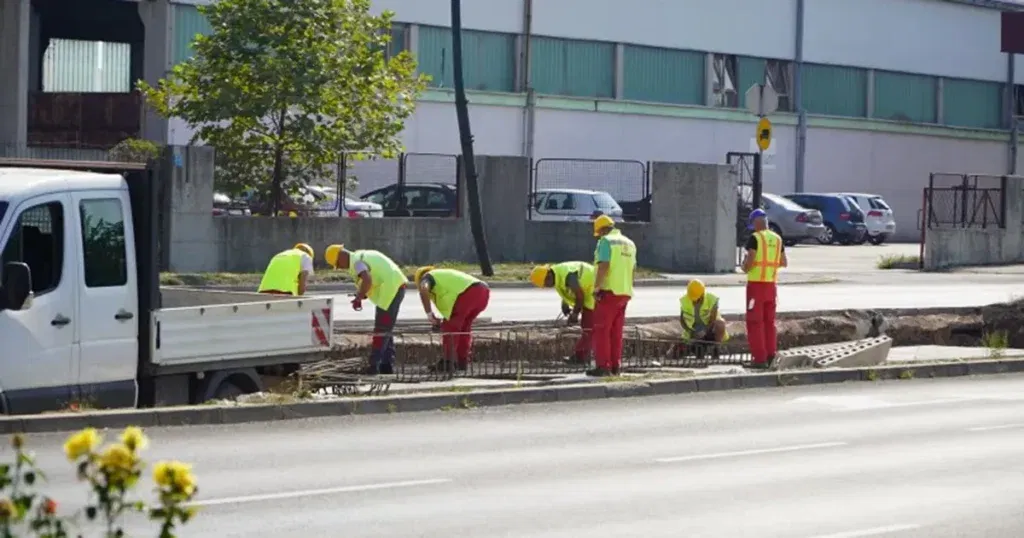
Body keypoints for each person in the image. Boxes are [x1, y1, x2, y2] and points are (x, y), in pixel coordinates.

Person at [325, 244, 408, 375]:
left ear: (341, 256)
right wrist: (362, 294)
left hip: (390, 289)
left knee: (381, 330)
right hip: (394, 286)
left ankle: (373, 366)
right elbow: (371, 279)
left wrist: (358, 298)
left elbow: (367, 280)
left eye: (337, 264)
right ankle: (386, 366)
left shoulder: (357, 263)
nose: (340, 268)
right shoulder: (361, 256)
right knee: (386, 328)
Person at [414, 266, 491, 373]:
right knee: (464, 329)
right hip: (483, 292)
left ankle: (448, 362)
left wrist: (429, 315)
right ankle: (461, 362)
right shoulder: (442, 277)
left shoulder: (428, 277)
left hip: (468, 293)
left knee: (450, 327)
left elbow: (424, 288)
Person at [741, 209, 788, 369]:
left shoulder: (755, 238)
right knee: (769, 322)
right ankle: (770, 355)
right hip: (771, 286)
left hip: (756, 287)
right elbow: (783, 262)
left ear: (756, 222)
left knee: (755, 322)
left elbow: (750, 261)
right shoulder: (777, 239)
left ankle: (759, 359)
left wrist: (745, 266)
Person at [590, 214, 636, 377]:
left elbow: (604, 265)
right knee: (616, 332)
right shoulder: (629, 243)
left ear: (602, 230)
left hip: (608, 292)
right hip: (624, 293)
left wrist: (596, 288)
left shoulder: (606, 241)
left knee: (602, 330)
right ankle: (616, 366)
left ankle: (603, 366)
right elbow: (632, 270)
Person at [528, 261, 597, 365]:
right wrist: (564, 303)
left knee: (589, 328)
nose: (547, 286)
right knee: (589, 329)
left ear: (548, 276)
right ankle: (583, 356)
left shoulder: (568, 276)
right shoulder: (558, 274)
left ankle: (580, 358)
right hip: (588, 292)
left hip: (595, 292)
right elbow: (568, 289)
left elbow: (580, 296)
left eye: (546, 284)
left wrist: (575, 314)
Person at [670, 279, 729, 358]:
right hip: (694, 331)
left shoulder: (711, 299)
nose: (695, 301)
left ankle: (716, 349)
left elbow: (713, 319)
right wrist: (690, 331)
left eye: (697, 298)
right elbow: (682, 320)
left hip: (710, 331)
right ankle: (697, 349)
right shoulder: (685, 301)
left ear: (702, 294)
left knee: (720, 323)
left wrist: (704, 331)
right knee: (693, 351)